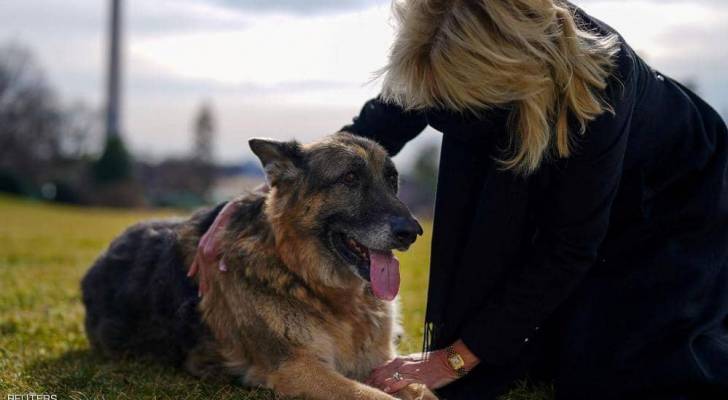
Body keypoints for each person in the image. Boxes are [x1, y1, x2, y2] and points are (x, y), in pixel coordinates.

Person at [189, 1, 728, 398]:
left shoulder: (597, 90)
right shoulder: (443, 37)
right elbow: (359, 138)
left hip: (674, 193)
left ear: (501, 79)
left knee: (623, 371)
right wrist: (252, 203)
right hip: (568, 168)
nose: (436, 111)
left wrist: (453, 359)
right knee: (519, 354)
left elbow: (569, 245)